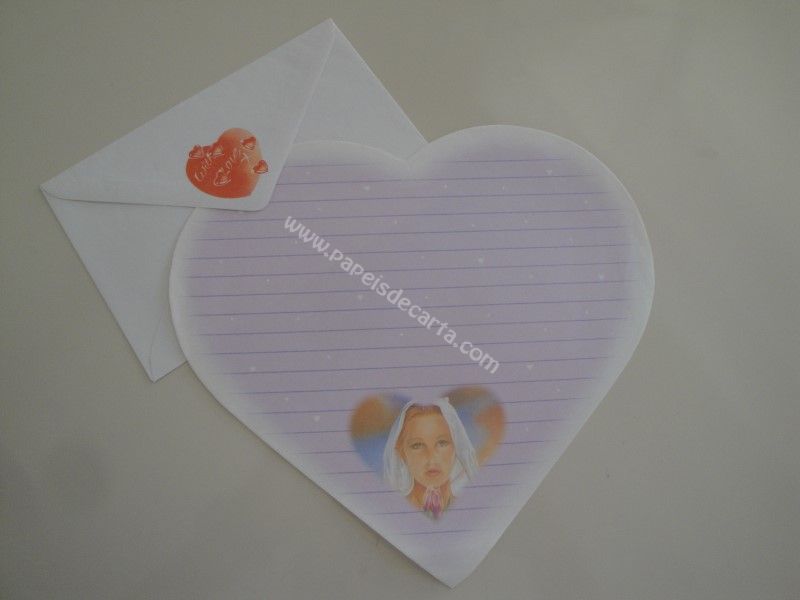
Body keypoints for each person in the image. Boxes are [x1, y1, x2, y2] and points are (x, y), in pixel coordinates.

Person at [383, 397, 479, 519]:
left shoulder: (473, 509)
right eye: (417, 445)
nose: (431, 459)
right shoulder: (392, 513)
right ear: (401, 452)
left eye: (442, 443)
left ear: (456, 446)